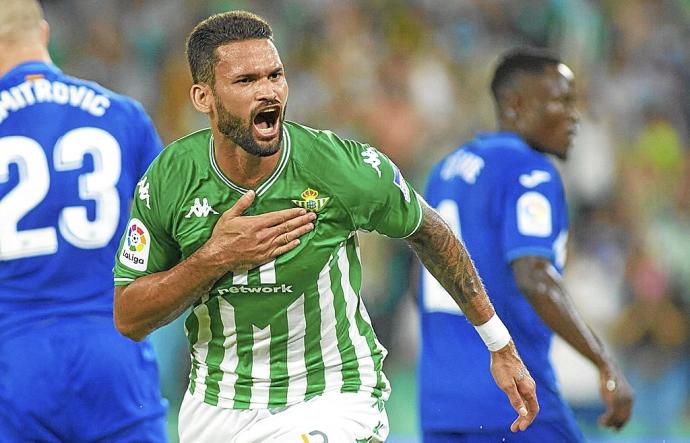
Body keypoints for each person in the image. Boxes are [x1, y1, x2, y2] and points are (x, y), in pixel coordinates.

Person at [113, 11, 539, 443]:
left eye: (275, 76)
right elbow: (129, 316)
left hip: (330, 396)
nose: (268, 92)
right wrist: (215, 257)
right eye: (246, 81)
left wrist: (498, 343)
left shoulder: (340, 167)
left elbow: (430, 231)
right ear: (203, 97)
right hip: (216, 408)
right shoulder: (169, 179)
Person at [418, 47, 634, 442]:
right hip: (515, 402)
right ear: (516, 104)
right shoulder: (529, 170)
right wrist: (604, 363)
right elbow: (533, 275)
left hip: (440, 403)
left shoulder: (444, 171)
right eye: (561, 101)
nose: (574, 115)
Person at [0, 1, 169, 441]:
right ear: (44, 32)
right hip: (113, 350)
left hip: (14, 360)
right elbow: (176, 228)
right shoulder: (122, 115)